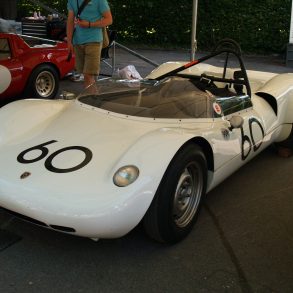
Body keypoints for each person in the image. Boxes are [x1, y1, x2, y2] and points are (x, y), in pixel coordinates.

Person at [67, 0, 112, 88]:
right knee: (86, 75)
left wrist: (90, 24)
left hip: (94, 40)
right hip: (78, 41)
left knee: (88, 75)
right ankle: (92, 98)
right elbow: (70, 21)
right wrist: (69, 41)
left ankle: (91, 99)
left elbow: (109, 20)